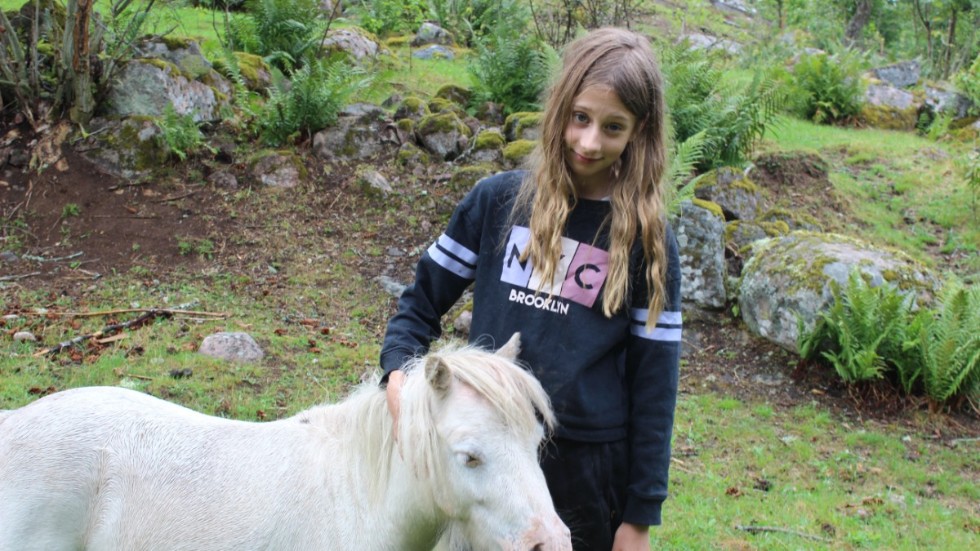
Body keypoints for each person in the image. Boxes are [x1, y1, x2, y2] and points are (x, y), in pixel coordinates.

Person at [380, 27, 682, 551]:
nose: (590, 142)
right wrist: (396, 372)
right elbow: (420, 304)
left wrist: (639, 517)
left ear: (639, 133)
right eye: (581, 118)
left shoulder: (647, 243)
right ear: (560, 107)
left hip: (588, 475)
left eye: (613, 127)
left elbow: (656, 387)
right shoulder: (496, 204)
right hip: (487, 463)